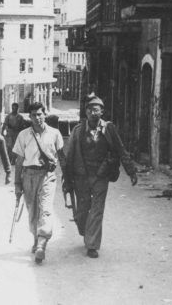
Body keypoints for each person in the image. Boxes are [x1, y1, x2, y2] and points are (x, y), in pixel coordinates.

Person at [64, 94, 138, 259]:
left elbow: (120, 150)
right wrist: (67, 181)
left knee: (97, 210)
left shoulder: (109, 129)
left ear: (102, 112)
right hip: (81, 176)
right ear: (86, 112)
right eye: (89, 110)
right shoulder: (77, 131)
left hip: (101, 175)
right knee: (82, 212)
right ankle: (86, 231)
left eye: (96, 110)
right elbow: (69, 158)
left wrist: (131, 171)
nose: (92, 113)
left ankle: (92, 245)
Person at [13, 102, 66, 264]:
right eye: (34, 115)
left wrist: (67, 176)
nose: (37, 118)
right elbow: (19, 161)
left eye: (40, 114)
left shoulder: (55, 133)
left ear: (45, 114)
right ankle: (36, 239)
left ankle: (42, 242)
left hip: (47, 175)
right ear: (30, 117)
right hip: (28, 175)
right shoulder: (23, 135)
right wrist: (17, 184)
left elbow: (61, 155)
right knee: (33, 211)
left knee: (46, 209)